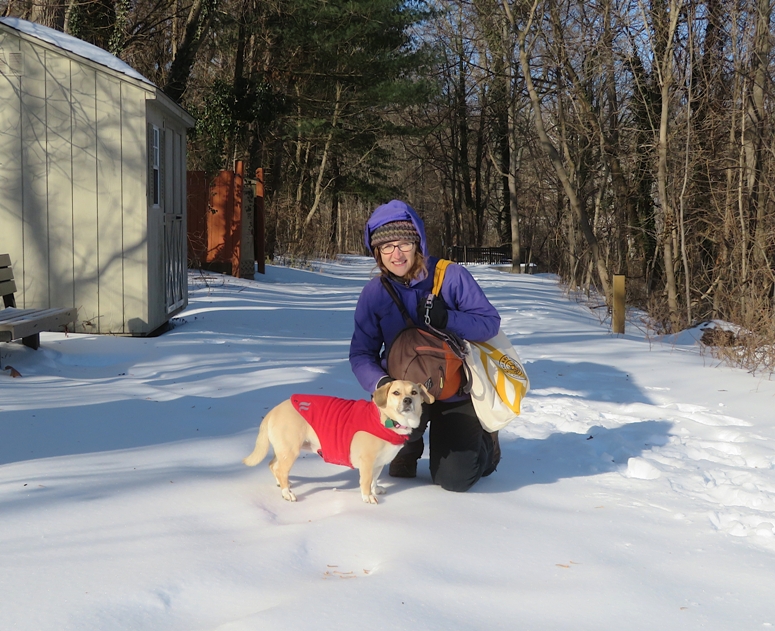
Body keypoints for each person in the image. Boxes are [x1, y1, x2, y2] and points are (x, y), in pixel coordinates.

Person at [349, 199, 502, 492]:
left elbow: (489, 324)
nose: (396, 254)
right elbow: (360, 353)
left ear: (418, 242)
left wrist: (449, 318)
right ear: (377, 253)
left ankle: (485, 440)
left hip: (452, 391)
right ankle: (409, 447)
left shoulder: (450, 276)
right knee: (396, 462)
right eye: (386, 247)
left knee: (456, 480)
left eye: (404, 244)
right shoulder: (374, 293)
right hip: (401, 394)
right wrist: (383, 384)